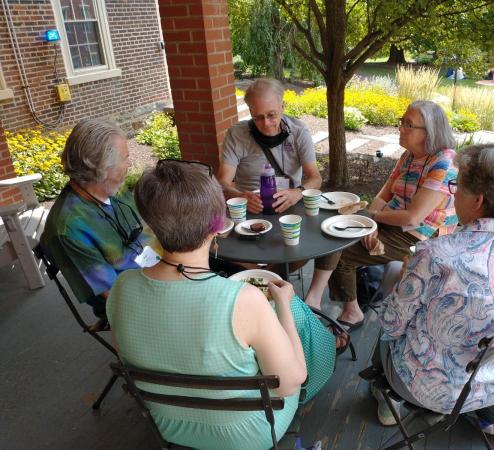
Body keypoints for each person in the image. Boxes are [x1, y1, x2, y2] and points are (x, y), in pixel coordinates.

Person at [106, 160, 339, 450]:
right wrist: (282, 307)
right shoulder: (243, 299)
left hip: (168, 424)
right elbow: (290, 382)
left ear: (150, 226)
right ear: (218, 225)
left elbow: (124, 349)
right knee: (297, 322)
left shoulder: (122, 287)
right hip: (246, 433)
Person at [372, 142, 494, 425]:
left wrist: (401, 285)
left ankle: (385, 394)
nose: (453, 193)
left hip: (429, 390)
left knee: (392, 276)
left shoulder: (435, 256)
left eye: (456, 187)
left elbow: (390, 325)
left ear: (478, 201)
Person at [304, 100, 458, 330]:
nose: (401, 127)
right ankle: (327, 304)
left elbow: (413, 217)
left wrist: (373, 218)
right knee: (334, 231)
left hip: (421, 236)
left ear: (430, 132)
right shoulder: (409, 156)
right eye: (402, 121)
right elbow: (384, 194)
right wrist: (370, 222)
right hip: (391, 223)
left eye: (409, 124)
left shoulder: (444, 163)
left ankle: (339, 308)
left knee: (341, 251)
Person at [41, 119, 153, 318]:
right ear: (102, 168)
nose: (130, 163)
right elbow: (113, 296)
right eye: (125, 157)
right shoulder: (69, 228)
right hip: (137, 300)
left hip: (159, 268)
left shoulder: (111, 186)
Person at [217, 78, 322, 214]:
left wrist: (298, 192)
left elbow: (315, 178)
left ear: (282, 106)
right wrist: (240, 197)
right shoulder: (237, 134)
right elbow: (222, 182)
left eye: (271, 115)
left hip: (290, 204)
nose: (266, 123)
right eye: (258, 117)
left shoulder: (299, 132)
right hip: (250, 209)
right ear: (250, 112)